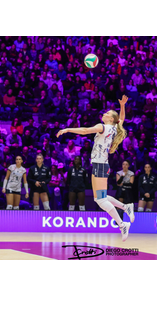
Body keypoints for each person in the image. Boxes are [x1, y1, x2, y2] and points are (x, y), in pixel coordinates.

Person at [57, 95, 135, 242]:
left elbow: (85, 130)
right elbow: (121, 119)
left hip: (100, 164)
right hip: (102, 164)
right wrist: (122, 106)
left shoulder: (103, 127)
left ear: (110, 119)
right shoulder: (114, 127)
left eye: (107, 113)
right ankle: (126, 207)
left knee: (100, 200)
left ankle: (122, 224)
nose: (104, 113)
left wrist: (67, 129)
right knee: (100, 198)